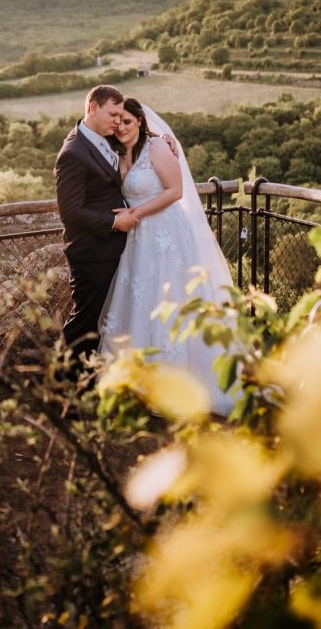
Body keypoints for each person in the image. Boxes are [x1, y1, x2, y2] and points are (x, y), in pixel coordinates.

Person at [98, 98, 236, 414]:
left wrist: (136, 211)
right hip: (139, 239)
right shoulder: (121, 153)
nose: (122, 128)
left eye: (128, 122)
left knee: (172, 300)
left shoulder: (158, 147)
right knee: (141, 301)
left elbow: (175, 191)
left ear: (142, 123)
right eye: (118, 123)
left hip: (167, 235)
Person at [54, 86, 175, 363]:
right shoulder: (73, 152)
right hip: (92, 252)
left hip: (117, 249)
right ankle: (65, 385)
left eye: (122, 116)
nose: (118, 122)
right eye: (113, 114)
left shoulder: (105, 140)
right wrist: (114, 221)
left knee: (104, 320)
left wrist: (164, 139)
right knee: (85, 323)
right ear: (93, 108)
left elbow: (141, 148)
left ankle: (87, 379)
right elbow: (70, 212)